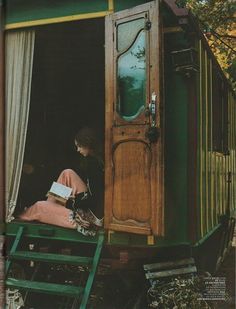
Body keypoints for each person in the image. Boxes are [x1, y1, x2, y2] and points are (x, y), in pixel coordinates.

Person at [19, 127, 104, 236]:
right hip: (91, 207)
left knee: (39, 207)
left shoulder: (94, 166)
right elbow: (94, 194)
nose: (78, 150)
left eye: (79, 146)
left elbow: (94, 198)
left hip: (88, 219)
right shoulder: (96, 160)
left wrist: (71, 202)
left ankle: (32, 212)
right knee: (67, 173)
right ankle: (51, 208)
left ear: (88, 143)